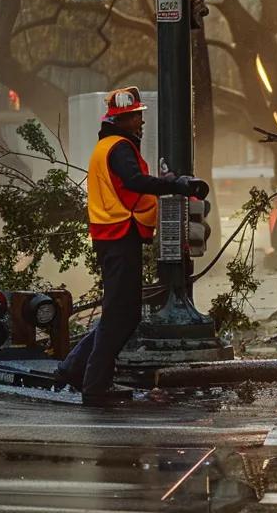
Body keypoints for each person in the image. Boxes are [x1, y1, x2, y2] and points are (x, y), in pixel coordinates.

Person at [58, 87, 201, 406]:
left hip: (114, 238)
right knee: (121, 316)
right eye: (136, 116)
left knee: (120, 314)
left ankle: (75, 368)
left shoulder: (106, 147)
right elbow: (135, 181)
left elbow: (129, 184)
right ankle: (95, 384)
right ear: (121, 119)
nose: (141, 122)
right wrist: (173, 184)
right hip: (121, 237)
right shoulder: (120, 148)